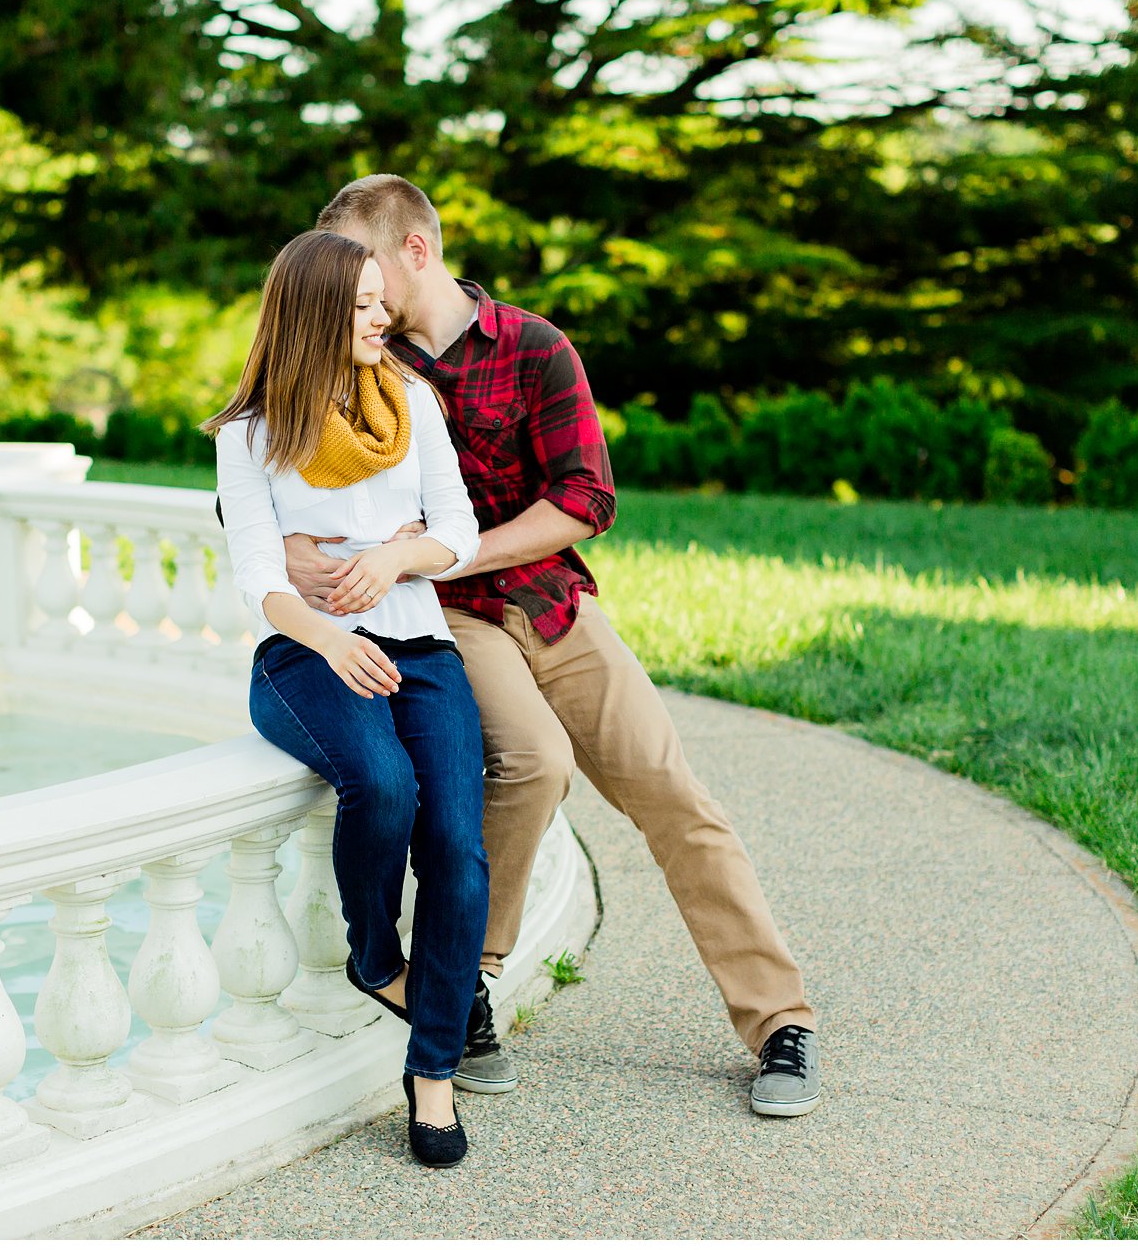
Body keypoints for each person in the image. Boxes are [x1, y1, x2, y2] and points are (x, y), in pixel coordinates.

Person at [291, 175, 823, 1117]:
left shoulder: (533, 349)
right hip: (441, 615)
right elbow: (265, 449)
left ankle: (779, 1019)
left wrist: (454, 549)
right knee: (533, 764)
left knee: (672, 793)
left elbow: (585, 501)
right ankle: (467, 982)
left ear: (417, 250)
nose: (352, 291)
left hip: (546, 600)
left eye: (367, 265)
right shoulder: (358, 360)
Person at [204, 228, 490, 1166]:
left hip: (424, 648)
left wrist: (397, 556)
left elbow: (459, 529)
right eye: (365, 304)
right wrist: (331, 634)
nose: (384, 316)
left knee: (454, 838)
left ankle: (434, 1077)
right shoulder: (250, 435)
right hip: (304, 656)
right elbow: (260, 580)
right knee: (383, 784)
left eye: (382, 299)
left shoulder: (410, 401)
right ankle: (377, 957)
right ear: (316, 311)